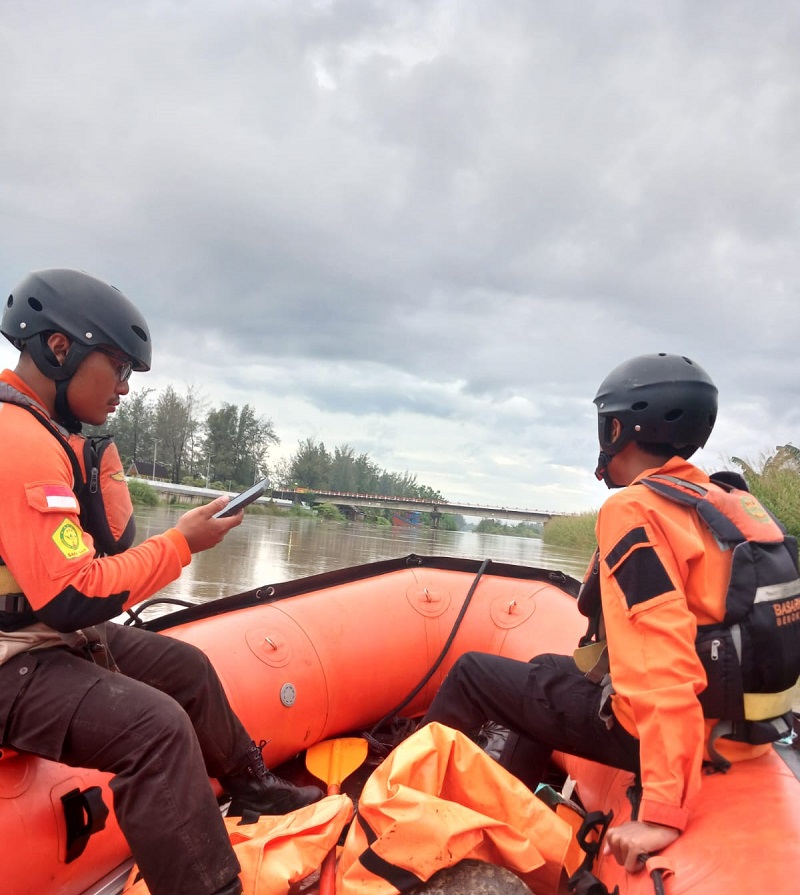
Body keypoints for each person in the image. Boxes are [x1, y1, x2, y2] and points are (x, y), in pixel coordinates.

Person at [0, 269, 323, 895]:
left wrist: (175, 543)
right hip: (13, 657)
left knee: (190, 671)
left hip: (35, 636)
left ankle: (252, 788)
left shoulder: (41, 431)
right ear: (59, 348)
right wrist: (179, 545)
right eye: (117, 367)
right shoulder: (16, 440)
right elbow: (73, 597)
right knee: (156, 728)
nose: (124, 388)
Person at [420, 353, 785, 877]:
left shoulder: (634, 510)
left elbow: (661, 660)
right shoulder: (724, 501)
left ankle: (397, 807)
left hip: (675, 738)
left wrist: (661, 811)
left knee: (472, 673)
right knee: (547, 669)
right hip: (737, 730)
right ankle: (508, 819)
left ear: (619, 428)